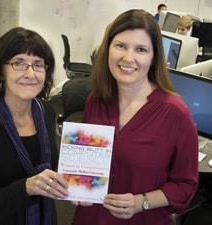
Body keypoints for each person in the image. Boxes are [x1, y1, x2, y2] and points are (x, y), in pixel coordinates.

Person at [71, 9, 199, 225]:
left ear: (154, 56)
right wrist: (78, 186)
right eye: (120, 45)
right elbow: (87, 160)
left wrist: (141, 202)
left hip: (142, 219)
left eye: (140, 49)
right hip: (91, 217)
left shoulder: (176, 114)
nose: (128, 58)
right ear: (107, 49)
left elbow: (185, 184)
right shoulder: (96, 100)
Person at [0, 27, 69, 225]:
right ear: (0, 71)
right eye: (19, 63)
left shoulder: (47, 111)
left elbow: (54, 171)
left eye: (38, 64)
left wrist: (79, 185)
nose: (30, 73)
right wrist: (26, 187)